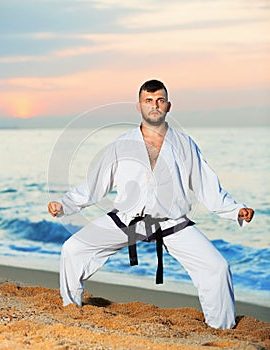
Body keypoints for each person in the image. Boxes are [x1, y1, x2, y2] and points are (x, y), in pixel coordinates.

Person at [48, 79, 254, 330]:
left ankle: (223, 329)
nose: (154, 105)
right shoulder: (121, 144)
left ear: (168, 106)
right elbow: (94, 185)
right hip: (127, 220)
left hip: (171, 223)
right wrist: (64, 204)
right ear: (139, 106)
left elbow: (207, 186)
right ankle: (71, 310)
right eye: (148, 101)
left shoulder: (185, 144)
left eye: (159, 100)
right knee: (73, 249)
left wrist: (235, 210)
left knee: (218, 267)